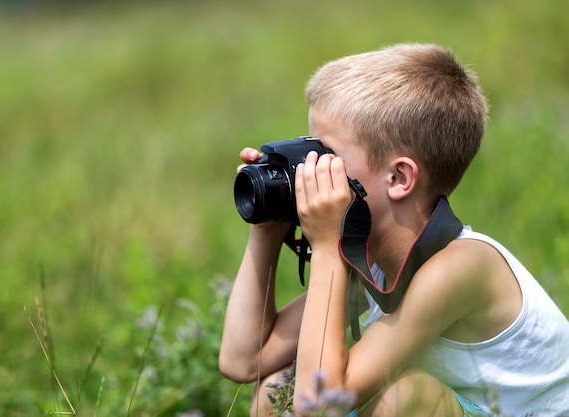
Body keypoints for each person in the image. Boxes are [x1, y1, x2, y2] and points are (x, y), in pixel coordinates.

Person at [219, 43, 569, 417]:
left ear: (399, 177)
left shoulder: (465, 266)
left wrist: (327, 245)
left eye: (327, 154)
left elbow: (318, 402)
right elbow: (245, 361)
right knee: (273, 394)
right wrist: (267, 230)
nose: (310, 169)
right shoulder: (374, 264)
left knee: (400, 397)